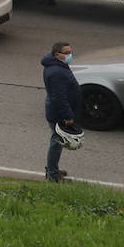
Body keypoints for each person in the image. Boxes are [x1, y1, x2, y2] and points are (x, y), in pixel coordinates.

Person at [42, 41, 83, 183]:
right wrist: (68, 116)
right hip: (58, 114)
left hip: (58, 111)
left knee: (57, 142)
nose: (69, 55)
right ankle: (52, 175)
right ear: (56, 54)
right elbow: (58, 97)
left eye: (70, 52)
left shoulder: (58, 65)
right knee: (56, 143)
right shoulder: (56, 72)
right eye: (66, 53)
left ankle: (53, 170)